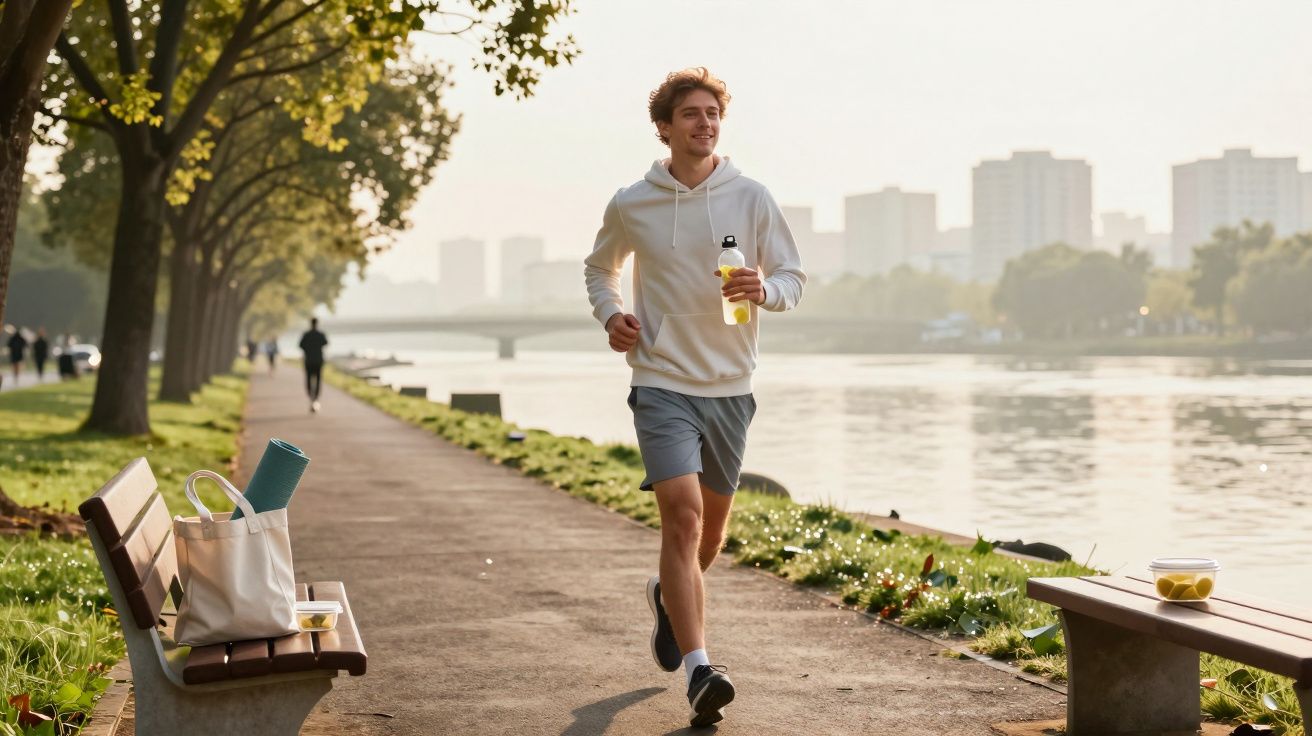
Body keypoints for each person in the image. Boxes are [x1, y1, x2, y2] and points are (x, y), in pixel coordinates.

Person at [582, 67, 805, 728]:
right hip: (661, 381)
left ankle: (666, 600)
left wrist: (765, 290)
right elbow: (600, 268)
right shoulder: (633, 202)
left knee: (705, 539)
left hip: (731, 386)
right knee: (679, 518)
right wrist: (610, 315)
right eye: (691, 114)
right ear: (665, 126)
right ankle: (701, 668)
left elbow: (794, 277)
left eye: (713, 114)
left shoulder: (753, 198)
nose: (704, 123)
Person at [298, 318, 328, 412]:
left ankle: (311, 398)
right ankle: (315, 399)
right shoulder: (321, 334)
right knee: (318, 380)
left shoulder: (306, 335)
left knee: (308, 379)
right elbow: (325, 343)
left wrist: (308, 349)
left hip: (309, 361)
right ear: (317, 323)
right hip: (318, 361)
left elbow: (300, 345)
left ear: (310, 323)